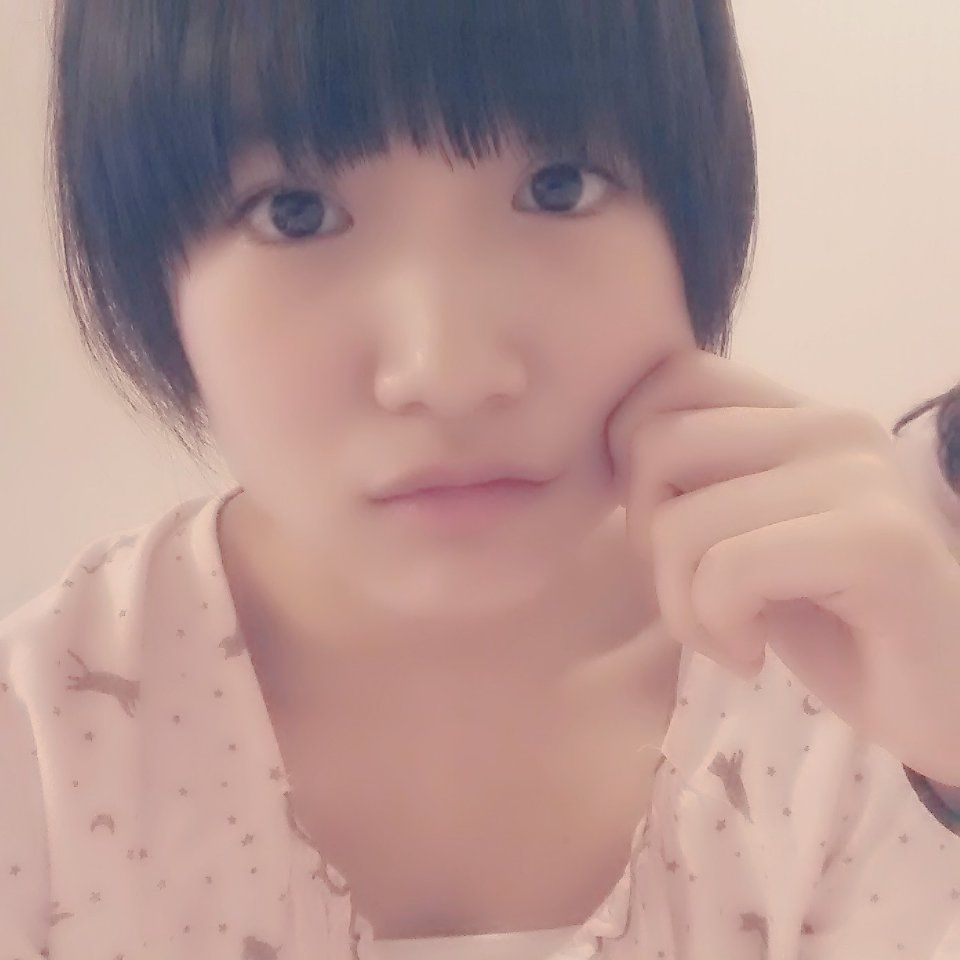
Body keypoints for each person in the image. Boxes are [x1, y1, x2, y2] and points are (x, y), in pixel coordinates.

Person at [3, 2, 959, 957]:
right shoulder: (40, 745)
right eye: (295, 213)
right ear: (148, 271)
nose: (449, 372)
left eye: (559, 186)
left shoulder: (860, 679)